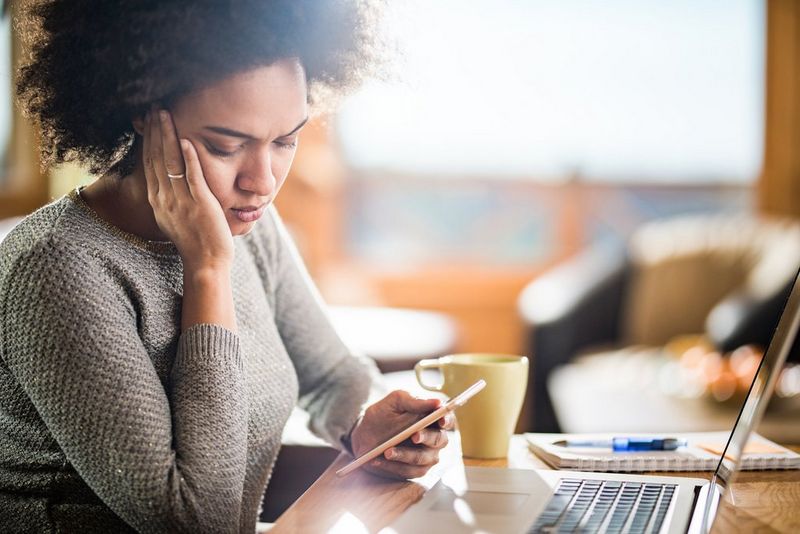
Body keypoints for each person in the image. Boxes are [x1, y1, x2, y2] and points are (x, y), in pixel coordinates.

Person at [0, 1, 453, 532]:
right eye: (225, 145)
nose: (262, 180)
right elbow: (194, 518)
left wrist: (366, 427)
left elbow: (331, 375)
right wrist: (208, 270)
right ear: (142, 112)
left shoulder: (249, 218)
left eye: (286, 140)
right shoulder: (58, 269)